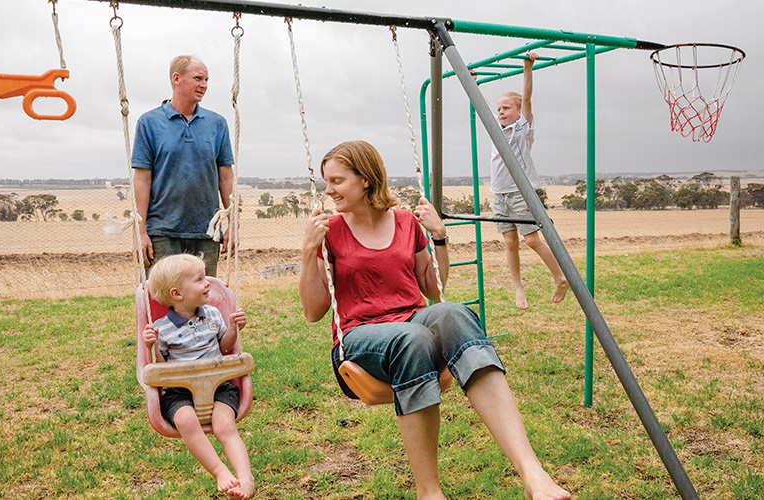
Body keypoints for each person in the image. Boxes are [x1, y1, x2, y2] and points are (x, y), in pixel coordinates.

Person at [298, 140, 570, 500]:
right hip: (360, 338)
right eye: (326, 181)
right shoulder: (329, 230)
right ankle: (429, 492)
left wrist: (440, 238)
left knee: (454, 312)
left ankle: (532, 472)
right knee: (413, 339)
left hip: (412, 322)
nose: (328, 190)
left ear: (365, 180)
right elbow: (314, 311)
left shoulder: (406, 222)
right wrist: (307, 253)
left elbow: (434, 290)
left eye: (336, 181)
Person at [143, 254, 255, 499]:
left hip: (219, 386)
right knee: (186, 421)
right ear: (176, 294)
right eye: (199, 279)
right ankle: (219, 470)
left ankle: (246, 479)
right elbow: (161, 369)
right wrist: (151, 346)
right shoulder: (162, 329)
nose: (208, 284)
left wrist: (234, 329)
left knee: (225, 425)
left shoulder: (213, 315)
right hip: (179, 391)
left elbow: (225, 347)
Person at [132, 55, 235, 277]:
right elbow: (142, 179)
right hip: (162, 231)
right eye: (198, 78)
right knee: (163, 299)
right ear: (176, 78)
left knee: (203, 300)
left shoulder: (217, 124)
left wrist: (233, 225)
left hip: (207, 232)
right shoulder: (148, 123)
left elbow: (226, 177)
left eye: (207, 79)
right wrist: (140, 232)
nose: (204, 85)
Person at [482, 52, 569, 309]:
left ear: (519, 112)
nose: (501, 112)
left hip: (522, 191)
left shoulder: (522, 129)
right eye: (499, 109)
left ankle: (560, 277)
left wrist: (527, 67)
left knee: (531, 239)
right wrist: (473, 82)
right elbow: (483, 107)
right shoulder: (495, 128)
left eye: (506, 108)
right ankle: (519, 288)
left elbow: (527, 97)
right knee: (510, 242)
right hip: (500, 193)